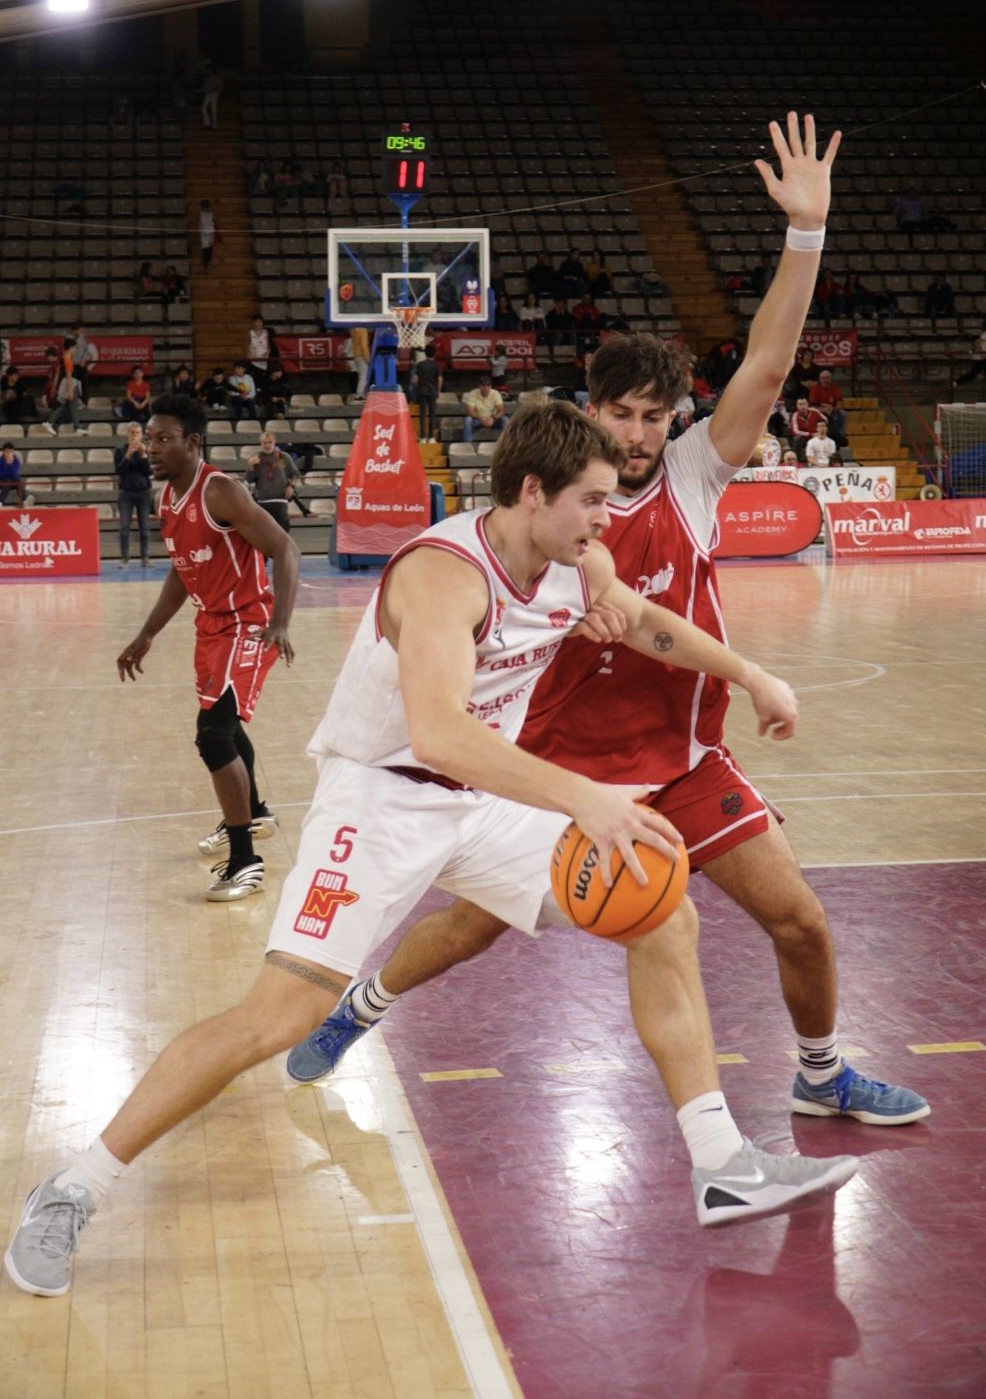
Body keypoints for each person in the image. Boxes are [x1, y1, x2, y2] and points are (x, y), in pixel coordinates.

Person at [3, 398, 860, 1298]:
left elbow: (646, 620)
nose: (608, 519)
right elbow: (440, 733)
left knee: (662, 912)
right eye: (592, 500)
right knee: (275, 1017)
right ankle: (72, 1188)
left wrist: (751, 673)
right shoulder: (443, 577)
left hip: (481, 801)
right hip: (379, 800)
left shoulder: (580, 563)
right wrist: (584, 796)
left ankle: (720, 1160)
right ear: (533, 492)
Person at [290, 115, 928, 1156]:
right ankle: (363, 1002)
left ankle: (819, 1073)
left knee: (799, 916)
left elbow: (767, 369)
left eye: (654, 415)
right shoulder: (544, 499)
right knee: (467, 929)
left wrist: (805, 233)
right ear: (590, 413)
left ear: (677, 419)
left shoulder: (693, 476)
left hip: (677, 757)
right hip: (557, 761)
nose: (637, 434)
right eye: (621, 414)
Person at [116, 396, 296, 908]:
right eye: (149, 438)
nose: (152, 448)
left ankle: (246, 861)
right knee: (227, 727)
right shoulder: (166, 499)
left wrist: (280, 622)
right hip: (211, 625)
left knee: (213, 734)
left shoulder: (220, 491)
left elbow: (285, 548)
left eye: (164, 439)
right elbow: (182, 571)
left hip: (248, 623)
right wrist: (147, 633)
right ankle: (253, 813)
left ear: (193, 442)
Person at [114, 422, 153, 566]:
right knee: (124, 526)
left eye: (137, 433)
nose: (135, 435)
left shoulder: (148, 451)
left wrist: (143, 456)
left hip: (144, 493)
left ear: (142, 435)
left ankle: (145, 558)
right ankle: (124, 558)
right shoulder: (120, 450)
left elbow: (149, 472)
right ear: (128, 434)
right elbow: (119, 471)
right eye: (132, 432)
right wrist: (128, 456)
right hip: (126, 494)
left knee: (145, 527)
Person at [245, 430, 300, 532]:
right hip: (262, 501)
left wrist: (291, 486)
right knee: (263, 532)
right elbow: (249, 480)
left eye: (270, 442)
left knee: (283, 532)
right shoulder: (256, 458)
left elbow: (295, 474)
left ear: (274, 443)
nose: (267, 445)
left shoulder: (282, 457)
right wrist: (251, 467)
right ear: (260, 444)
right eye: (264, 443)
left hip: (280, 501)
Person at [44, 339, 87, 435]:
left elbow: (59, 373)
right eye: (76, 347)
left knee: (65, 406)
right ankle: (76, 427)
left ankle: (50, 422)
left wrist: (55, 387)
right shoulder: (67, 359)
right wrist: (70, 390)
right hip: (70, 383)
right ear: (71, 347)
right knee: (71, 406)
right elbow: (69, 375)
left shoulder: (64, 358)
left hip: (66, 383)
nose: (76, 350)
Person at [462, 375, 506, 444]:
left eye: (488, 386)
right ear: (479, 386)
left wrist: (494, 418)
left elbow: (501, 410)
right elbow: (470, 411)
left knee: (505, 419)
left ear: (491, 386)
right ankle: (467, 445)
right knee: (468, 420)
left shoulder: (495, 393)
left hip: (492, 419)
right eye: (483, 386)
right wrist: (480, 418)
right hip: (477, 420)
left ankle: (506, 444)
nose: (486, 388)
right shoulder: (473, 393)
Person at [412, 341, 442, 441]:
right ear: (435, 353)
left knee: (423, 414)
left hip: (422, 391)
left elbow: (415, 379)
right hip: (433, 392)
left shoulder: (420, 365)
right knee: (432, 414)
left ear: (425, 353)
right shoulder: (436, 365)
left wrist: (417, 389)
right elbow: (439, 379)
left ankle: (423, 437)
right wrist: (438, 391)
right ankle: (432, 437)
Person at [71, 326, 99, 406]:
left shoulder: (83, 339)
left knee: (84, 383)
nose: (81, 332)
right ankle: (75, 400)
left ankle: (84, 402)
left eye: (82, 330)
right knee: (74, 383)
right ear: (75, 331)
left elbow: (86, 351)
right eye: (80, 330)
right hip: (74, 364)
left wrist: (83, 360)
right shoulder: (71, 339)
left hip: (82, 364)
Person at [955, 319, 986, 386]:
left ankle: (955, 383)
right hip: (980, 358)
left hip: (981, 358)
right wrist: (982, 352)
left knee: (972, 375)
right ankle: (955, 383)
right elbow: (976, 342)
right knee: (972, 375)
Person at [0, 440, 24, 506]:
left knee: (19, 482)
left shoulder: (16, 461)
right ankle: (0, 501)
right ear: (3, 452)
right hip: (2, 481)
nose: (9, 454)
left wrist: (11, 465)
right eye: (7, 452)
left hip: (13, 481)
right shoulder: (0, 461)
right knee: (8, 482)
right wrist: (6, 464)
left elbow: (15, 476)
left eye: (11, 452)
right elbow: (2, 475)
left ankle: (23, 501)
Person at [199, 200, 218, 272]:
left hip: (209, 233)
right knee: (206, 250)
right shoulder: (201, 214)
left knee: (209, 250)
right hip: (205, 234)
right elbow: (199, 223)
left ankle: (208, 265)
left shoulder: (211, 214)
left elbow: (216, 221)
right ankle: (206, 265)